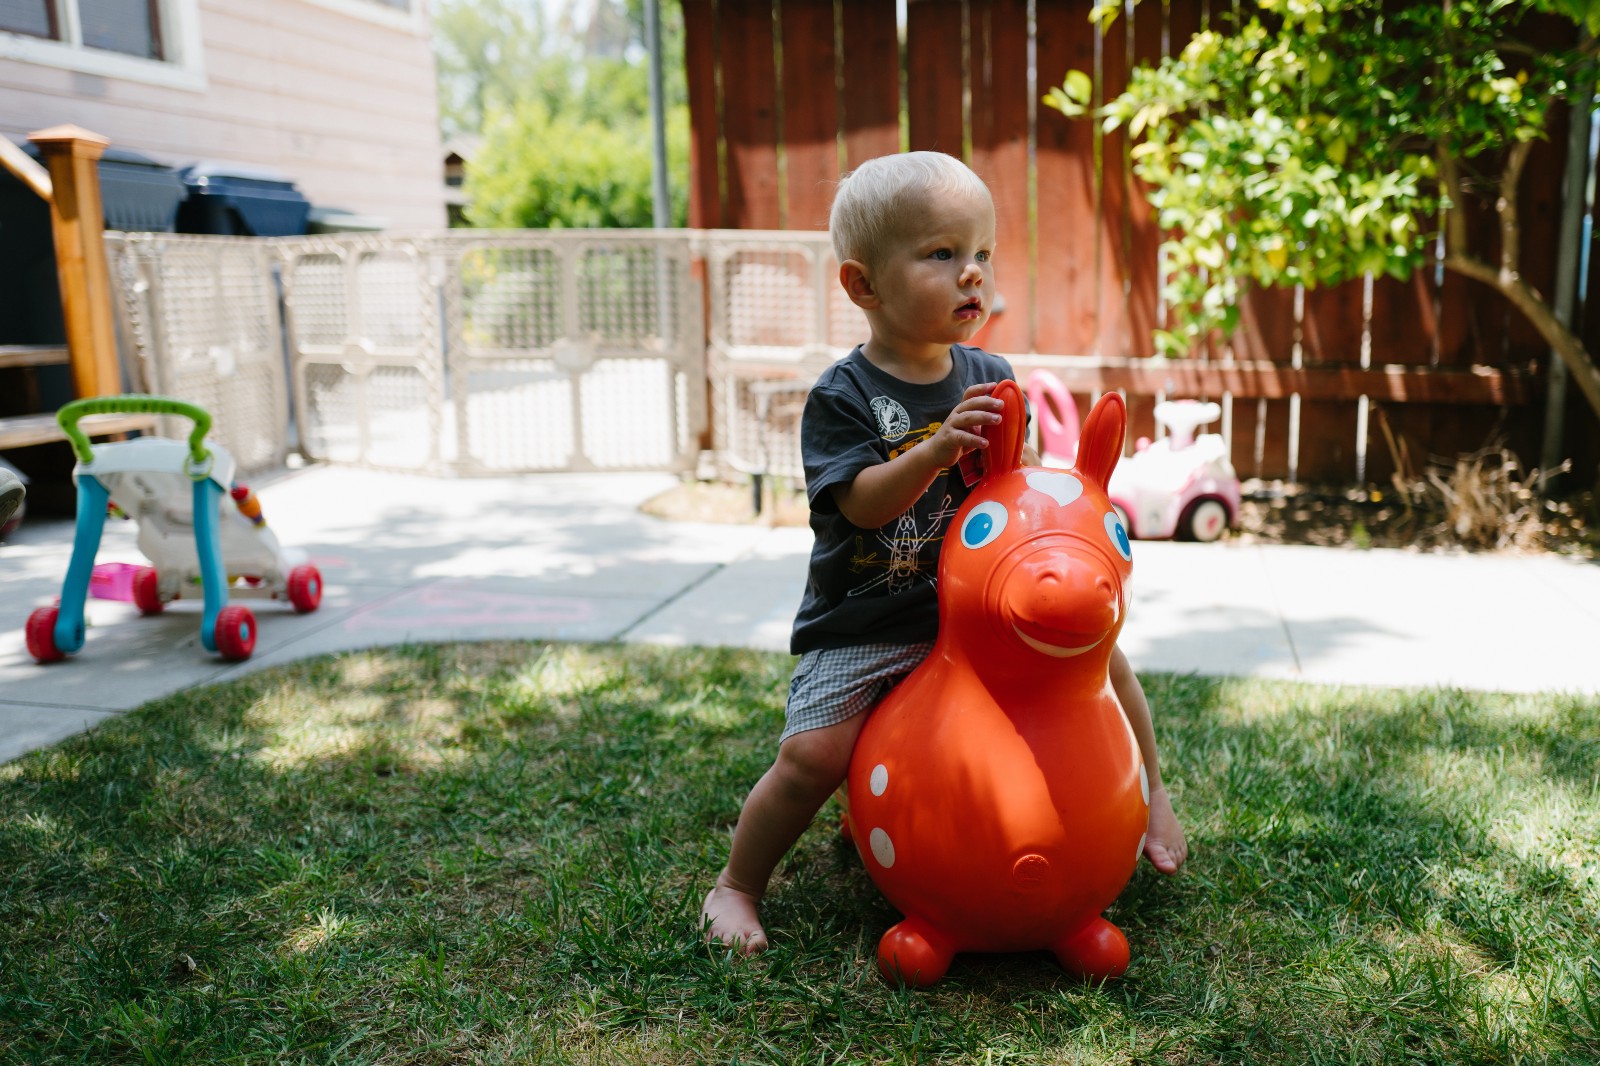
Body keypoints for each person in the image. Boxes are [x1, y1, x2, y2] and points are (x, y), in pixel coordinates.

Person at [701, 151, 1188, 954]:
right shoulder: (842, 397)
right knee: (814, 754)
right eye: (942, 255)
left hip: (977, 618)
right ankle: (737, 885)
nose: (973, 275)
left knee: (1108, 662)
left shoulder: (992, 376)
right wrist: (930, 453)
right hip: (870, 621)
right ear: (864, 286)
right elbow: (857, 505)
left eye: (983, 254)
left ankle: (1156, 797)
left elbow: (1009, 495)